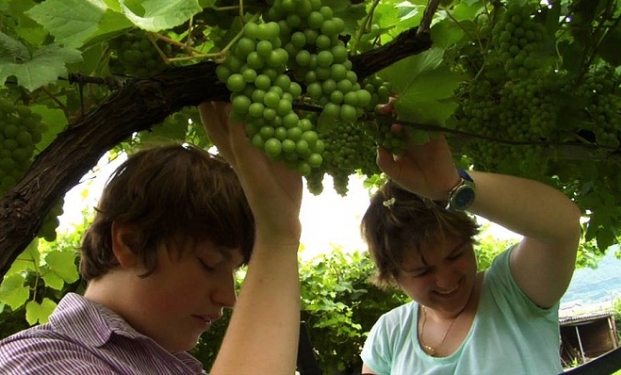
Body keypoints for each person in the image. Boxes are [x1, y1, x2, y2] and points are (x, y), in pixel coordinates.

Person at [0, 101, 304, 375]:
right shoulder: (39, 362)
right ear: (130, 243)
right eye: (209, 263)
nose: (229, 297)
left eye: (235, 272)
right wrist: (277, 239)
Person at [359, 104, 582, 374]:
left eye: (455, 255)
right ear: (393, 275)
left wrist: (451, 185)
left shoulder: (512, 292)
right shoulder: (389, 333)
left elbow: (563, 226)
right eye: (423, 271)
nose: (446, 280)